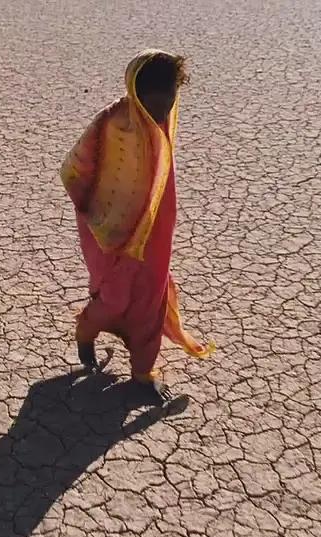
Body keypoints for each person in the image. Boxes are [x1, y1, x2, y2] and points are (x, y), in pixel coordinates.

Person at [59, 48, 214, 400]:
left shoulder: (163, 123)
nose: (159, 114)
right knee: (114, 297)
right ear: (134, 92)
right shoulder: (113, 122)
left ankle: (143, 373)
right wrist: (100, 212)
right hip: (110, 233)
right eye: (152, 106)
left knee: (150, 297)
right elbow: (74, 169)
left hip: (154, 232)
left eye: (167, 104)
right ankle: (87, 328)